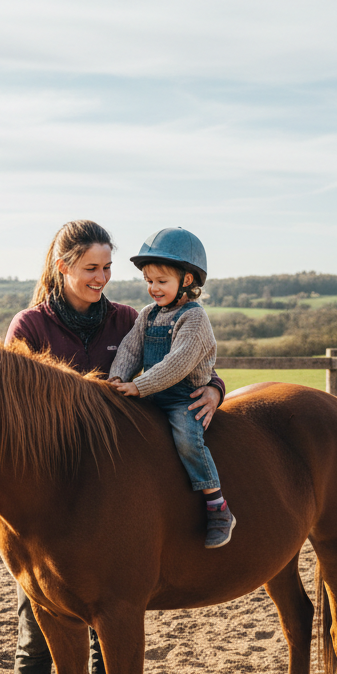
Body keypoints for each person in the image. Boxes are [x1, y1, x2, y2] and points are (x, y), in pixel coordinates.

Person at [0, 219, 226, 674]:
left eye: (106, 268)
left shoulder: (128, 319)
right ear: (62, 267)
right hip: (47, 511)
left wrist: (217, 390)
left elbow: (184, 359)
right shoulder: (30, 328)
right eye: (90, 268)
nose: (102, 278)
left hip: (108, 508)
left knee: (107, 634)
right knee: (35, 638)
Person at [109, 227, 236, 549]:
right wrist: (117, 378)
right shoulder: (147, 315)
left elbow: (177, 364)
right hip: (149, 392)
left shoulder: (194, 319)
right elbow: (129, 350)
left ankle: (217, 505)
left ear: (187, 281)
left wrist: (138, 387)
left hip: (183, 397)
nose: (153, 288)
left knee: (188, 440)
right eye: (148, 281)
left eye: (161, 281)